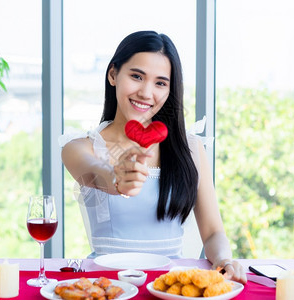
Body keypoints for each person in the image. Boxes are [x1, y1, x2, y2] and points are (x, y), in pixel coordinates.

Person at [60, 31, 247, 284]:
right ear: (113, 74)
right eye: (136, 76)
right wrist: (117, 178)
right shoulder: (80, 147)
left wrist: (224, 259)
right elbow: (94, 172)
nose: (146, 93)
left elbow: (213, 232)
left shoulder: (190, 149)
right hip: (106, 286)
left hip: (172, 287)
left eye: (160, 83)